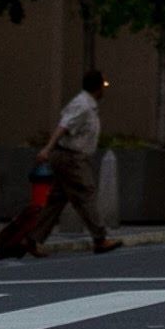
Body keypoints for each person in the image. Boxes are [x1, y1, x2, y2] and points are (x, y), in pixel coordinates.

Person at [44, 67, 120, 254]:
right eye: (104, 84)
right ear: (97, 87)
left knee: (57, 200)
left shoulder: (88, 105)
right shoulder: (82, 105)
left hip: (71, 156)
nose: (105, 89)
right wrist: (47, 148)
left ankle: (32, 238)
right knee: (86, 193)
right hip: (71, 157)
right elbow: (64, 126)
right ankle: (100, 238)